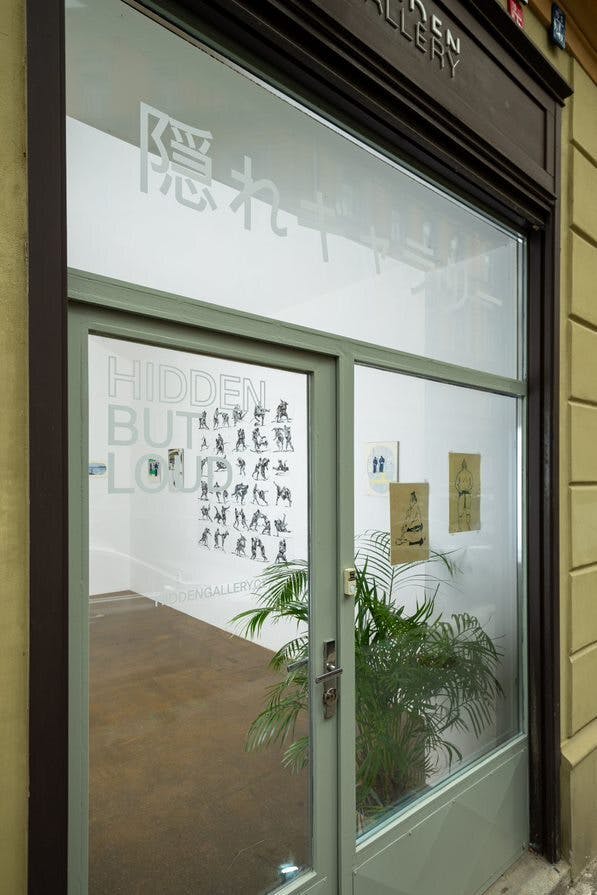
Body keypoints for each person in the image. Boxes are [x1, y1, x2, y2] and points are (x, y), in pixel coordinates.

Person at [455, 458, 473, 531]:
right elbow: (456, 484)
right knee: (461, 511)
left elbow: (471, 484)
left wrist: (466, 490)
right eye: (464, 464)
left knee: (467, 511)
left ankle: (468, 526)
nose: (464, 465)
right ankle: (460, 527)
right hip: (463, 494)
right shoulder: (460, 474)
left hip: (466, 494)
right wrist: (460, 490)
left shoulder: (467, 474)